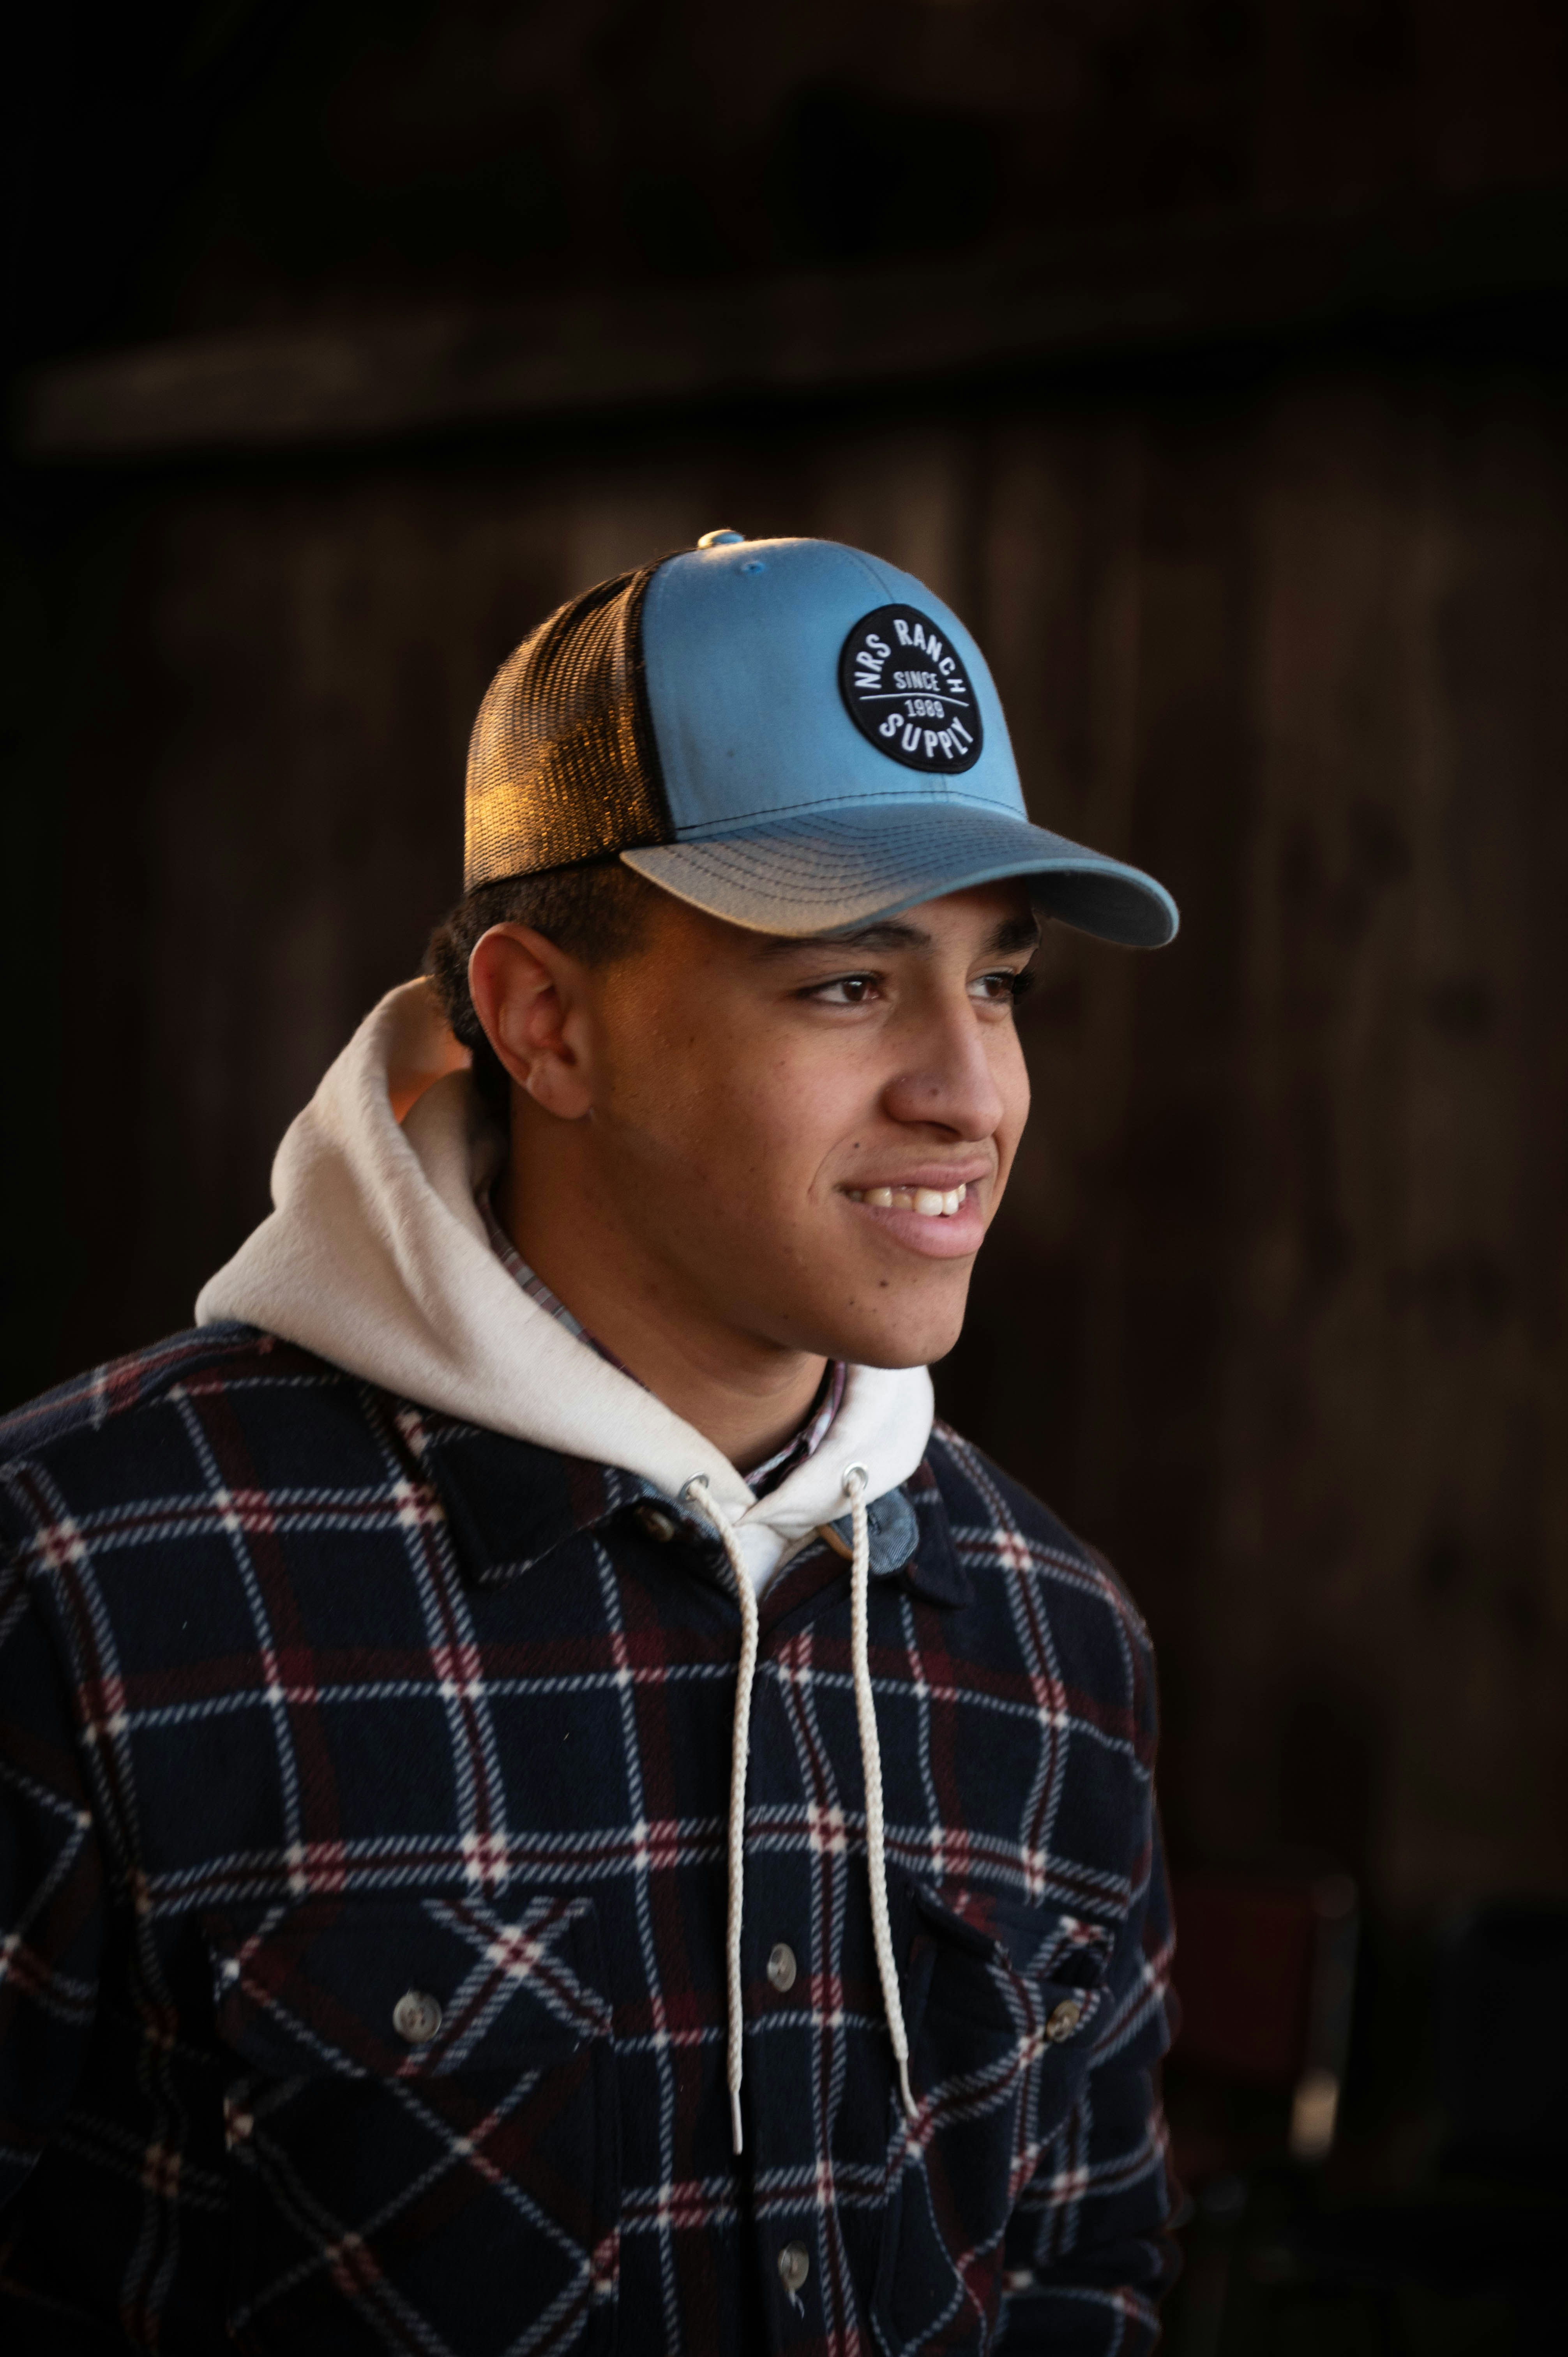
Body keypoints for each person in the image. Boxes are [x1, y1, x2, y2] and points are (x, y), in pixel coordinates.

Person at [0, 532, 1181, 2354]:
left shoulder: (1053, 1638)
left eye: (1001, 980)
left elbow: (1088, 2285)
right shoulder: (84, 1577)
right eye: (849, 986)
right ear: (543, 1022)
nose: (972, 1088)